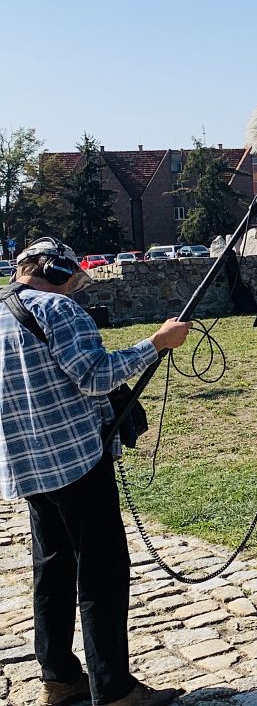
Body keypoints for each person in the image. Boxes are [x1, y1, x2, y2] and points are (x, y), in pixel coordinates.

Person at [0, 237, 192, 706]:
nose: (74, 288)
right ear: (58, 268)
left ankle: (60, 678)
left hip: (26, 466)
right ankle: (115, 690)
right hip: (76, 461)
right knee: (101, 573)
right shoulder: (57, 309)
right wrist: (157, 343)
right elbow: (96, 376)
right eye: (72, 279)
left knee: (52, 570)